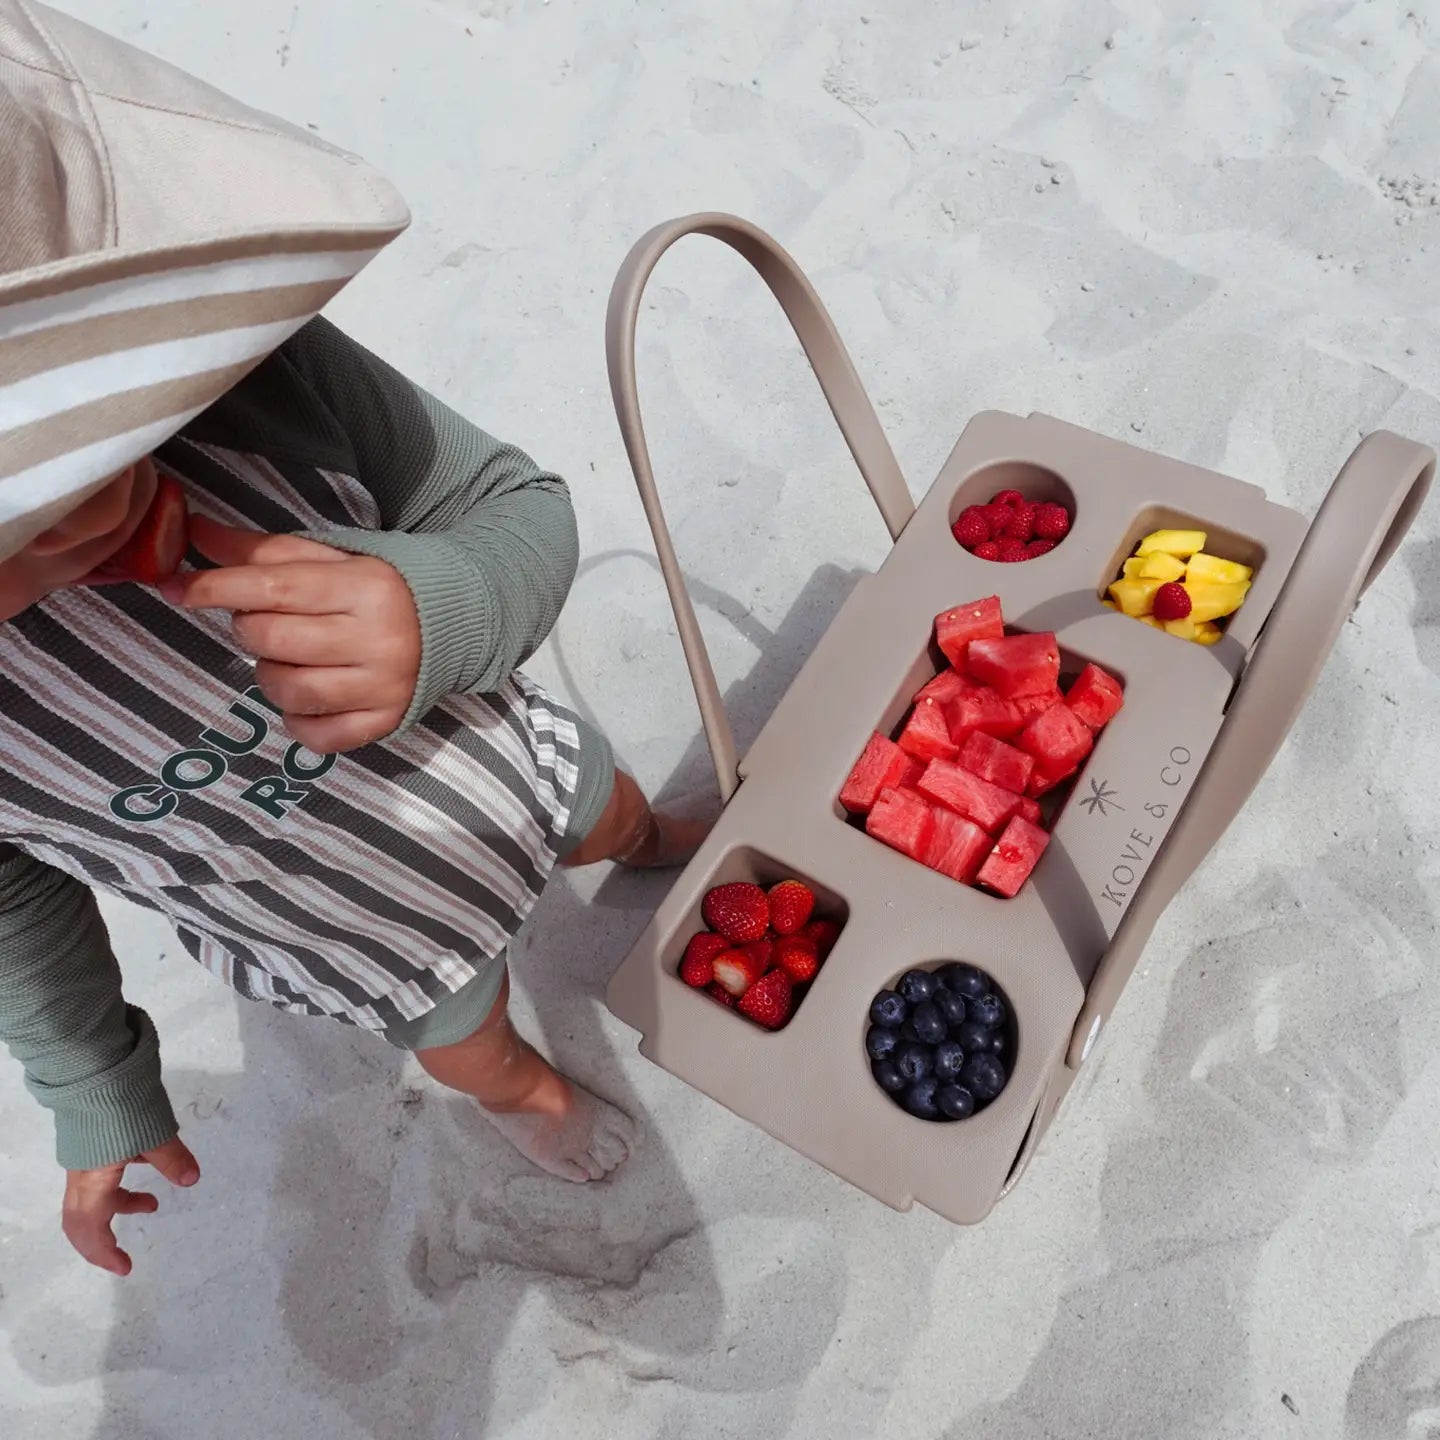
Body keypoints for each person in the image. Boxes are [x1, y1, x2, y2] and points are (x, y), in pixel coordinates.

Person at [0, 1, 705, 1276]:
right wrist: (94, 1078)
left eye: (91, 439)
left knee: (606, 807)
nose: (90, 509)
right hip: (345, 920)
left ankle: (649, 842)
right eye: (17, 526)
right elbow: (16, 893)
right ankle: (528, 1097)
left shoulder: (246, 376)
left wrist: (440, 605)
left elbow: (508, 501)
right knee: (468, 1038)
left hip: (496, 754)